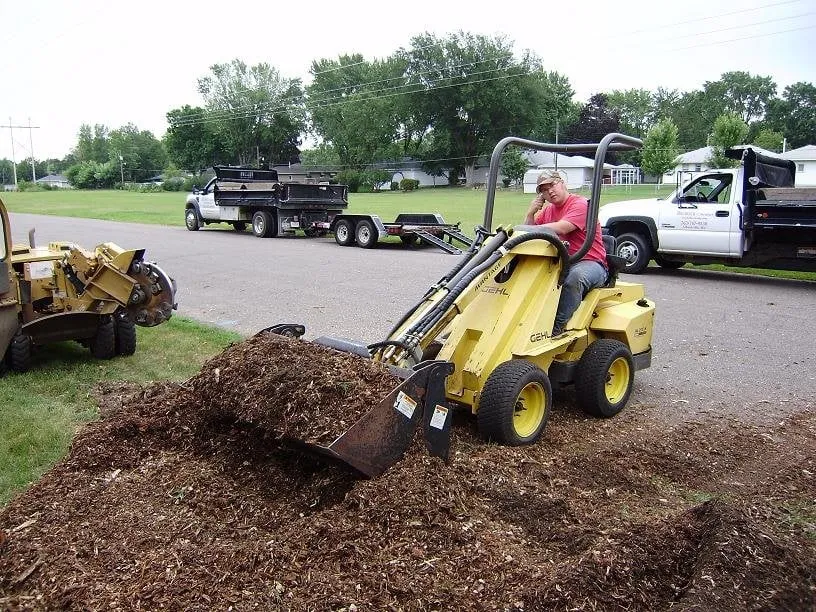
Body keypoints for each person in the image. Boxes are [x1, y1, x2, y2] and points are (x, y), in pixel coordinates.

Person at [524, 169, 608, 337]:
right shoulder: (548, 212)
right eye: (544, 190)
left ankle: (556, 328)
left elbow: (563, 227)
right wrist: (530, 213)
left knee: (574, 279)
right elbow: (528, 234)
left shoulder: (581, 204)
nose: (550, 191)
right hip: (562, 263)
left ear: (562, 183)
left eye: (552, 185)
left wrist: (531, 229)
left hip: (590, 263)